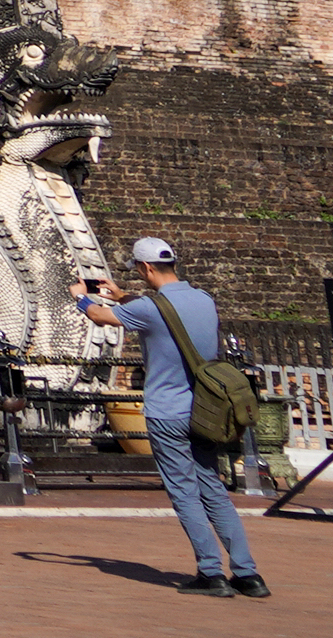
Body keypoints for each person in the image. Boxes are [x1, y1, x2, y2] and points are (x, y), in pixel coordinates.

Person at [79, 236, 267, 597]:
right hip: (205, 410)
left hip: (167, 412)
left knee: (184, 492)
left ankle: (211, 573)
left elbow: (97, 315)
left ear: (146, 268)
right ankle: (248, 574)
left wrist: (81, 296)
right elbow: (160, 314)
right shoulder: (204, 300)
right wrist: (122, 296)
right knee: (213, 488)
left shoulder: (149, 309)